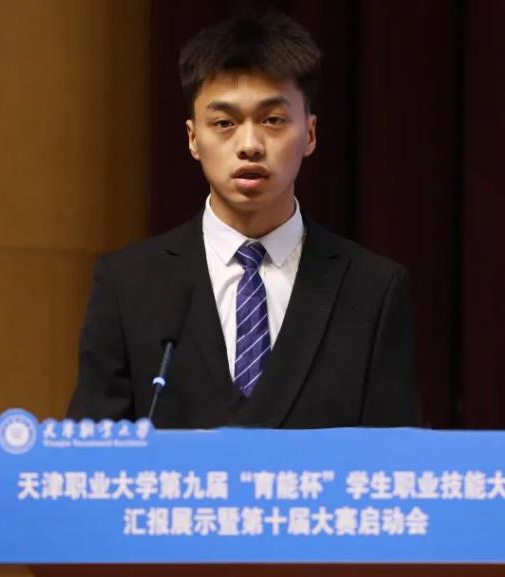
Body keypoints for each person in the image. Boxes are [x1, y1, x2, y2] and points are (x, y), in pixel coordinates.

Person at [66, 11, 419, 428]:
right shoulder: (128, 284)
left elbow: (396, 454)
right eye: (224, 123)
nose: (249, 145)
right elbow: (91, 453)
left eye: (273, 120)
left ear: (309, 133)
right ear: (193, 138)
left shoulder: (372, 289)